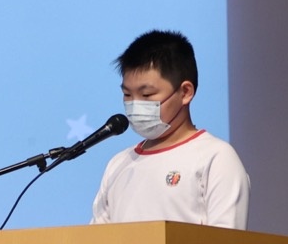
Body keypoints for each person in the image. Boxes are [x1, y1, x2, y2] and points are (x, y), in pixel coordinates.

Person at [90, 29, 249, 229]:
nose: (135, 105)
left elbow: (227, 242)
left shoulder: (216, 158)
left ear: (185, 92)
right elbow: (98, 241)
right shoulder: (118, 164)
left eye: (147, 95)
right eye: (127, 95)